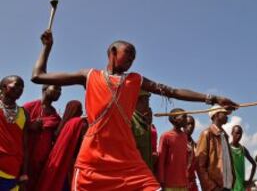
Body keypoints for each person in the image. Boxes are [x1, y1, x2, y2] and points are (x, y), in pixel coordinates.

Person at [31, 29, 237, 191]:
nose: (132, 60)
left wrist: (213, 99)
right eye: (128, 55)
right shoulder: (89, 76)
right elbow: (38, 76)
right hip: (92, 160)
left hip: (127, 159)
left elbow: (172, 91)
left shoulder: (135, 80)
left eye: (134, 58)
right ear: (112, 53)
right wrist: (47, 47)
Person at [37, 100, 88, 191]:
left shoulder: (62, 125)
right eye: (79, 109)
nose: (81, 111)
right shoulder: (81, 123)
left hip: (58, 162)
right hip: (73, 165)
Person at [23, 84, 61, 191]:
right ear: (45, 89)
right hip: (26, 160)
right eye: (56, 88)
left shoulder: (55, 115)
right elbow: (17, 128)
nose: (59, 92)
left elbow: (56, 136)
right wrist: (29, 126)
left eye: (60, 90)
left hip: (42, 163)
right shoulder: (29, 107)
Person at [196, 105, 235, 191]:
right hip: (215, 187)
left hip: (227, 185)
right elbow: (200, 165)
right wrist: (211, 187)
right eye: (224, 113)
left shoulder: (224, 136)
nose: (227, 116)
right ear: (216, 115)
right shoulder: (207, 134)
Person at [0, 75, 28, 191]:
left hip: (13, 170)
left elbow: (25, 146)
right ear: (3, 87)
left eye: (22, 87)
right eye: (16, 85)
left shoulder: (24, 113)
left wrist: (24, 173)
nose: (20, 89)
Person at [157, 108, 188, 190]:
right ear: (175, 119)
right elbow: (161, 160)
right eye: (184, 116)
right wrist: (161, 181)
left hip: (183, 183)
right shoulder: (165, 136)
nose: (186, 119)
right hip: (169, 183)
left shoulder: (184, 136)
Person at [131, 90, 155, 171]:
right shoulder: (130, 120)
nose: (148, 104)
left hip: (146, 170)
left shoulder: (144, 122)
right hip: (135, 171)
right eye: (147, 100)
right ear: (139, 100)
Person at [230, 125, 257, 191]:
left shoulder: (243, 149)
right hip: (230, 186)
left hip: (241, 186)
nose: (239, 136)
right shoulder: (227, 148)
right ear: (232, 133)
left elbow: (254, 164)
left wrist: (249, 181)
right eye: (237, 133)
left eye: (240, 134)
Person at [183, 115, 198, 191]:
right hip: (179, 182)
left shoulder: (196, 145)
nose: (191, 126)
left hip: (192, 182)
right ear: (183, 125)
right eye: (188, 123)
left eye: (192, 124)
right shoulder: (178, 142)